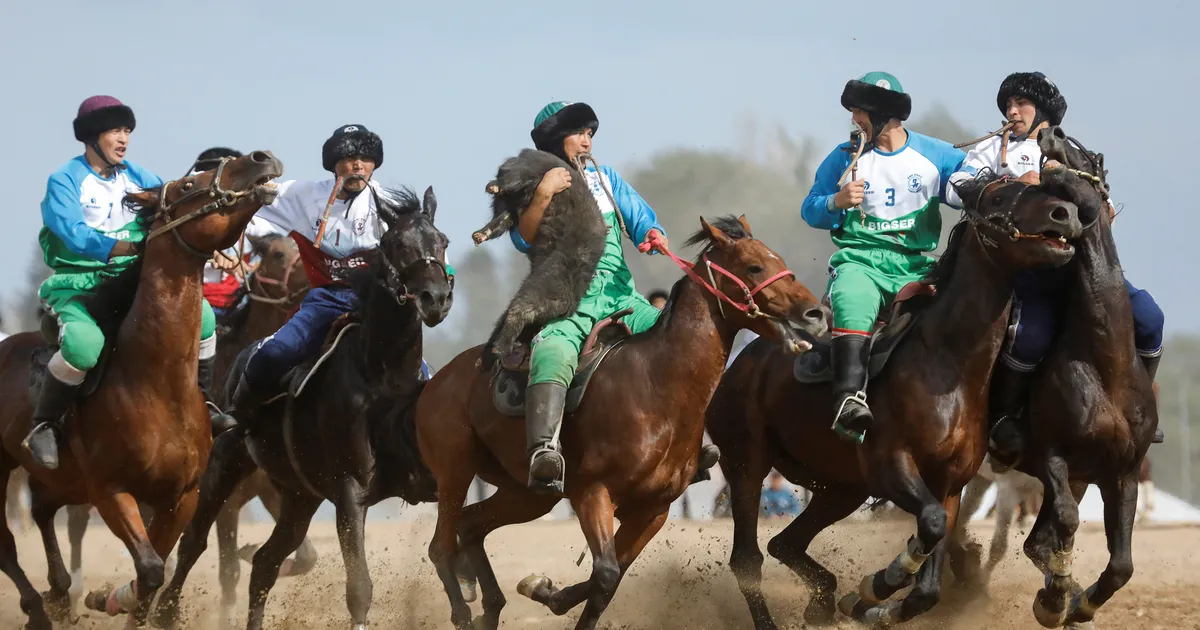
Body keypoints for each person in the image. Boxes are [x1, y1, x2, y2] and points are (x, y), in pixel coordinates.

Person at [945, 72, 1166, 463]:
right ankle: (1003, 419)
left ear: (1043, 111)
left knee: (1149, 316)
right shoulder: (991, 151)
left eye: (1021, 104)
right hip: (1025, 268)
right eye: (1008, 105)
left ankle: (1139, 405)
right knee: (1030, 335)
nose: (1012, 112)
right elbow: (956, 186)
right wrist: (1012, 184)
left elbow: (1103, 209)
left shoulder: (1072, 152)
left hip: (1083, 271)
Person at [516, 101, 719, 493]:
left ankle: (693, 443)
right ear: (555, 141)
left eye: (590, 133)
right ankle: (543, 452)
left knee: (679, 340)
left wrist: (651, 231)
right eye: (579, 133)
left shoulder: (604, 177)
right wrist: (543, 193)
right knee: (553, 351)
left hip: (621, 296)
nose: (588, 141)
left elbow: (638, 214)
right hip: (566, 303)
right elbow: (523, 238)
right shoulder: (530, 184)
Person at [24, 96, 229, 469]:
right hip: (78, 283)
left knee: (205, 318)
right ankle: (44, 425)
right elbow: (71, 233)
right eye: (115, 131)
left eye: (127, 131)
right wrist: (128, 245)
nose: (123, 140)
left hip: (133, 278)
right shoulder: (64, 180)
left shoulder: (142, 177)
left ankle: (206, 401)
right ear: (91, 136)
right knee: (85, 347)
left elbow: (175, 215)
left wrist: (210, 247)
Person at [230, 124, 450, 416]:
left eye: (366, 158)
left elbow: (431, 255)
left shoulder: (395, 206)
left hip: (380, 306)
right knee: (272, 353)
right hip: (325, 301)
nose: (358, 164)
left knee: (428, 384)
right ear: (334, 164)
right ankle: (237, 420)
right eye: (348, 157)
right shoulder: (300, 195)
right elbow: (246, 200)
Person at [801, 73, 965, 444]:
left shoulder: (935, 153)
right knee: (853, 300)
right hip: (860, 260)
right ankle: (848, 400)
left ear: (882, 115)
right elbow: (810, 208)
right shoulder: (843, 157)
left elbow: (970, 180)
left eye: (860, 112)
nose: (854, 120)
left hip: (917, 263)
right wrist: (835, 202)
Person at [190, 147, 285, 321]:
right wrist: (213, 256)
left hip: (237, 303)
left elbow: (276, 245)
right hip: (196, 300)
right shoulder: (186, 219)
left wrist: (250, 267)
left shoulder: (247, 217)